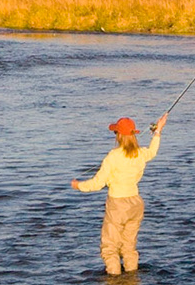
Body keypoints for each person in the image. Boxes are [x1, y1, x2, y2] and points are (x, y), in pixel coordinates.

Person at [71, 114, 168, 276]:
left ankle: (114, 284)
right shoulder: (140, 153)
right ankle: (132, 280)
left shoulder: (113, 156)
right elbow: (152, 151)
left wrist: (78, 185)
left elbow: (97, 184)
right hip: (136, 204)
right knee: (129, 247)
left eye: (116, 132)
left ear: (119, 135)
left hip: (117, 205)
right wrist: (158, 130)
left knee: (110, 249)